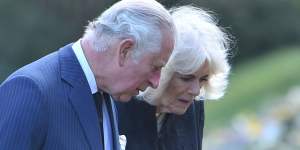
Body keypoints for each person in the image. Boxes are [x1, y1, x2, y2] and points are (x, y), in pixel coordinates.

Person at [0, 0, 175, 149]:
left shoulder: (105, 92)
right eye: (155, 67)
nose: (156, 82)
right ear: (125, 50)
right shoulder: (31, 90)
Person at [117, 6, 231, 150]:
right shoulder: (119, 107)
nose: (196, 91)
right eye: (186, 78)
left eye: (203, 79)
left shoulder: (192, 107)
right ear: (161, 71)